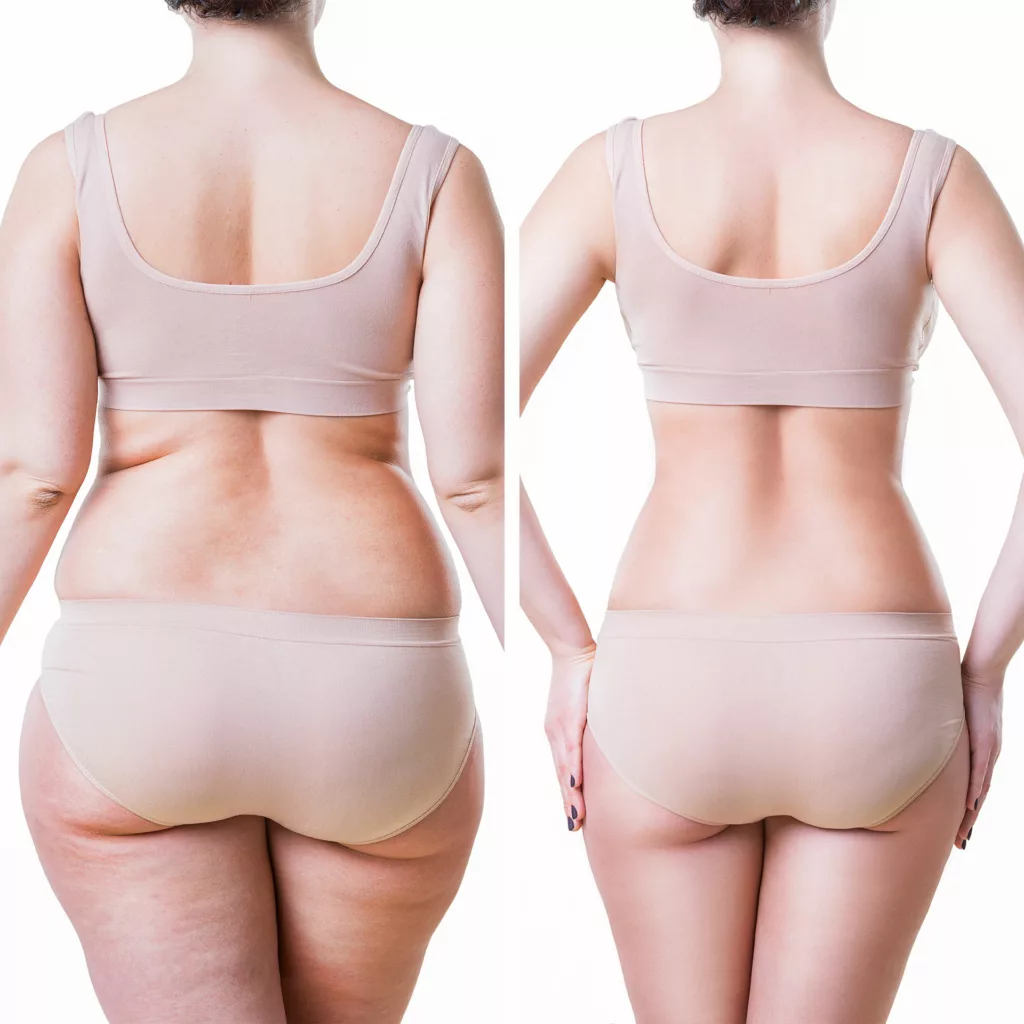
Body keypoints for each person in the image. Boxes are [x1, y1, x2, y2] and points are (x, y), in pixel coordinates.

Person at [0, 1, 504, 1021]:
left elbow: (32, 475)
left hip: (140, 675)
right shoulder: (434, 175)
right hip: (373, 683)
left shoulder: (73, 168)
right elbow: (474, 482)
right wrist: (573, 667)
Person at [520, 1, 1022, 1020]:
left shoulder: (608, 174)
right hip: (874, 678)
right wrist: (985, 667)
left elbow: (457, 432)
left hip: (670, 672)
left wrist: (565, 646)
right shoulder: (932, 176)